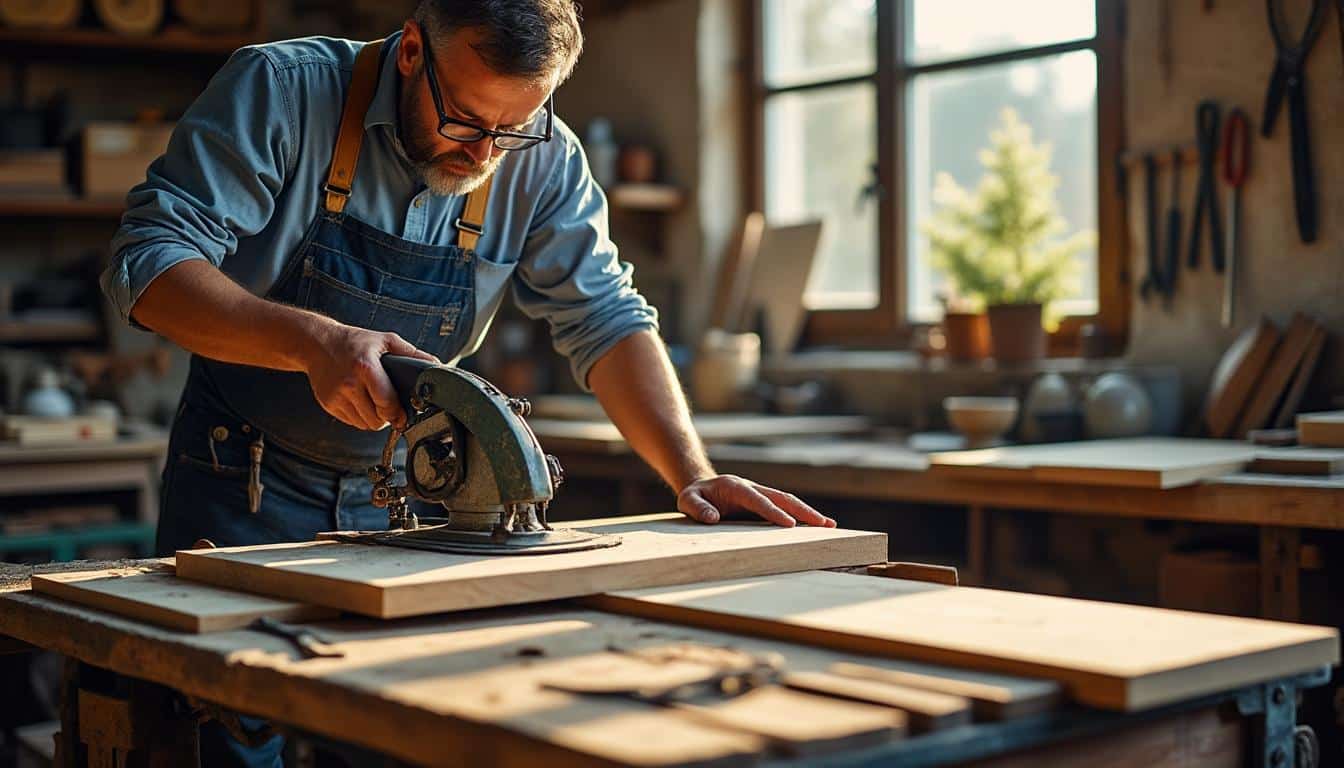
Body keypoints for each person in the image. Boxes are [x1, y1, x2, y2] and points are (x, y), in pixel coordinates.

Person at [105, 0, 834, 591]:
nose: (483, 154)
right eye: (464, 121)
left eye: (511, 130)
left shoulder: (547, 160)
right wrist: (312, 342)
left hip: (418, 496)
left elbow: (606, 319)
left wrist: (694, 475)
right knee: (229, 725)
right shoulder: (283, 90)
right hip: (242, 485)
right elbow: (147, 265)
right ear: (413, 50)